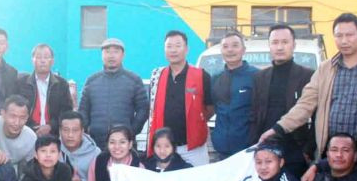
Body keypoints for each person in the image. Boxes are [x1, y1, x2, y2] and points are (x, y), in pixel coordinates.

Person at [260, 13, 357, 161]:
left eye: (349, 35)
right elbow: (305, 105)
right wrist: (278, 128)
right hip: (331, 149)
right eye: (339, 36)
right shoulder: (325, 68)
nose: (344, 41)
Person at [249, 24, 315, 178]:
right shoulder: (260, 77)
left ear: (294, 45)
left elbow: (316, 116)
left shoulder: (308, 76)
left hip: (295, 149)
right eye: (275, 42)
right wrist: (253, 146)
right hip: (266, 149)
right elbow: (254, 115)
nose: (280, 47)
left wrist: (308, 150)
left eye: (285, 42)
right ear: (269, 46)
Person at [147, 30, 213, 166]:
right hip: (164, 148)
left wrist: (195, 120)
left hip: (193, 147)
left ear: (187, 49)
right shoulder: (157, 75)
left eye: (178, 45)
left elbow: (210, 108)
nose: (173, 50)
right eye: (169, 46)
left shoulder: (201, 75)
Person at [78, 38, 149, 147]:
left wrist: (131, 131)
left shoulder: (133, 80)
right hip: (95, 144)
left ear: (123, 55)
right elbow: (83, 109)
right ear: (102, 55)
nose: (111, 56)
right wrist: (88, 129)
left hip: (124, 144)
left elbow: (143, 109)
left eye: (115, 51)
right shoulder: (92, 80)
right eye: (107, 52)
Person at [210, 31, 258, 160]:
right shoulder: (216, 78)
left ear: (243, 50)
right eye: (225, 47)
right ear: (221, 51)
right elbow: (214, 108)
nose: (230, 50)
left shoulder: (256, 76)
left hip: (248, 151)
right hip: (221, 151)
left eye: (235, 45)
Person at [17, 43, 73, 136]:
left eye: (46, 57)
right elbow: (17, 108)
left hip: (53, 133)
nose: (42, 61)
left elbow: (66, 111)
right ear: (32, 60)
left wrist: (51, 126)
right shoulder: (22, 83)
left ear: (52, 61)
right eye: (38, 57)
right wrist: (31, 127)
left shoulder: (62, 84)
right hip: (26, 132)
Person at [0, 95, 37, 170]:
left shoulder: (31, 138)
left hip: (10, 174)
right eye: (13, 116)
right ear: (3, 113)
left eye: (22, 118)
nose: (17, 123)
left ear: (27, 117)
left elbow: (31, 168)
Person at [58, 110, 101, 181]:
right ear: (60, 131)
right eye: (66, 130)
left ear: (82, 131)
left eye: (75, 130)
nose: (70, 135)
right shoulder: (53, 150)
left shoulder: (95, 153)